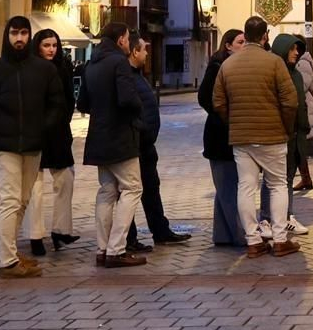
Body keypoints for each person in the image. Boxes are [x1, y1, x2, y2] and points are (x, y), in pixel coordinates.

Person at [0, 15, 66, 277]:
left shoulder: (44, 70)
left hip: (34, 144)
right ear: (7, 36)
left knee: (23, 199)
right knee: (10, 199)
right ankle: (8, 261)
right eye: (15, 33)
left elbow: (57, 103)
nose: (20, 38)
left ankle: (7, 251)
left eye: (24, 33)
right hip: (5, 143)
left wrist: (43, 127)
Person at [213, 15, 300, 258]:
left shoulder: (228, 65)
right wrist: (286, 127)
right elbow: (290, 101)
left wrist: (233, 122)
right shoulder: (274, 63)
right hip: (272, 134)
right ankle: (280, 239)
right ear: (264, 36)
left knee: (246, 187)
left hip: (241, 137)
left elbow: (218, 102)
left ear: (245, 34)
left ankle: (253, 240)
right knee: (277, 185)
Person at [80, 22, 147, 267]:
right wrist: (138, 110)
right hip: (120, 136)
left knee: (107, 192)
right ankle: (116, 249)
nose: (129, 44)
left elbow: (83, 104)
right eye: (128, 39)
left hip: (98, 135)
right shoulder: (119, 62)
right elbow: (128, 98)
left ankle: (102, 248)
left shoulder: (92, 63)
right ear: (120, 40)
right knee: (132, 188)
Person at [125, 35, 192, 251]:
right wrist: (142, 132)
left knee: (151, 189)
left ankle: (160, 231)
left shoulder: (137, 76)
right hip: (135, 146)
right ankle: (129, 238)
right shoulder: (127, 77)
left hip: (145, 146)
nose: (147, 53)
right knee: (131, 193)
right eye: (144, 49)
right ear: (134, 52)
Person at [22, 28, 80, 256]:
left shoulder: (63, 67)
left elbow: (68, 99)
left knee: (66, 179)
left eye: (54, 45)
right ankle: (35, 236)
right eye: (47, 45)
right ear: (38, 46)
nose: (51, 49)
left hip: (58, 133)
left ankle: (61, 230)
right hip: (35, 132)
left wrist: (63, 122)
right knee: (34, 185)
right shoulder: (29, 68)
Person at [260, 34, 311, 241]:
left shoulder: (296, 74)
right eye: (292, 49)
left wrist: (305, 127)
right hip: (279, 133)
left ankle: (287, 216)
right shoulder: (274, 72)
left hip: (296, 135)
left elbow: (300, 103)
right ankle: (266, 218)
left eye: (298, 49)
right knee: (272, 179)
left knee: (288, 177)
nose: (296, 53)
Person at [199, 28, 245, 247]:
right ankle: (238, 234)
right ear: (228, 45)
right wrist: (224, 116)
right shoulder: (217, 67)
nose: (244, 46)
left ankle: (222, 235)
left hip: (226, 134)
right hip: (220, 136)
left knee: (225, 188)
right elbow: (205, 98)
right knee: (229, 188)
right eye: (240, 42)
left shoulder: (231, 66)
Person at [293, 38, 313, 194]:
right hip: (302, 107)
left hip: (304, 107)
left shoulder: (302, 63)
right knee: (299, 148)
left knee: (300, 146)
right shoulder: (299, 62)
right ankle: (306, 178)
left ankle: (306, 178)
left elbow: (302, 85)